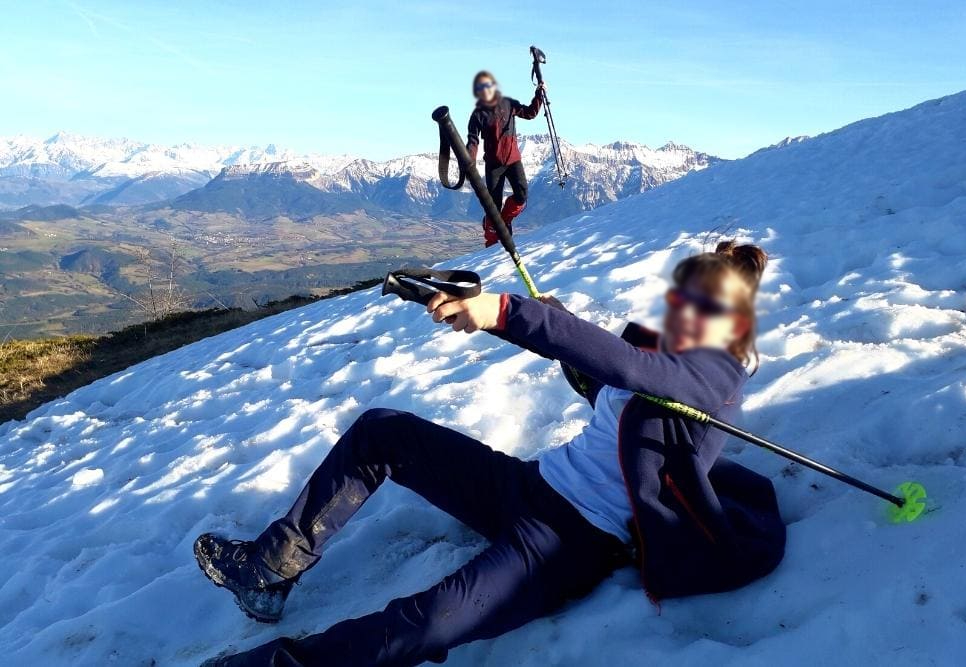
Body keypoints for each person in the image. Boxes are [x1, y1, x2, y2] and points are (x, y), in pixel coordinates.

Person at [195, 241, 786, 667]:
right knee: (383, 431)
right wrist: (546, 320)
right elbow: (608, 374)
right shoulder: (675, 357)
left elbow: (627, 366)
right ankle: (268, 570)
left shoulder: (716, 375)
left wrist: (505, 312)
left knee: (426, 620)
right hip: (529, 487)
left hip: (571, 542)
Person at [466, 70, 544, 247]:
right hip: (493, 164)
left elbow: (530, 113)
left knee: (522, 194)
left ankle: (505, 220)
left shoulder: (509, 104)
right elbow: (473, 140)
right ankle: (492, 243)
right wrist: (469, 162)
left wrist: (539, 94)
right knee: (493, 205)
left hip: (513, 160)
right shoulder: (478, 114)